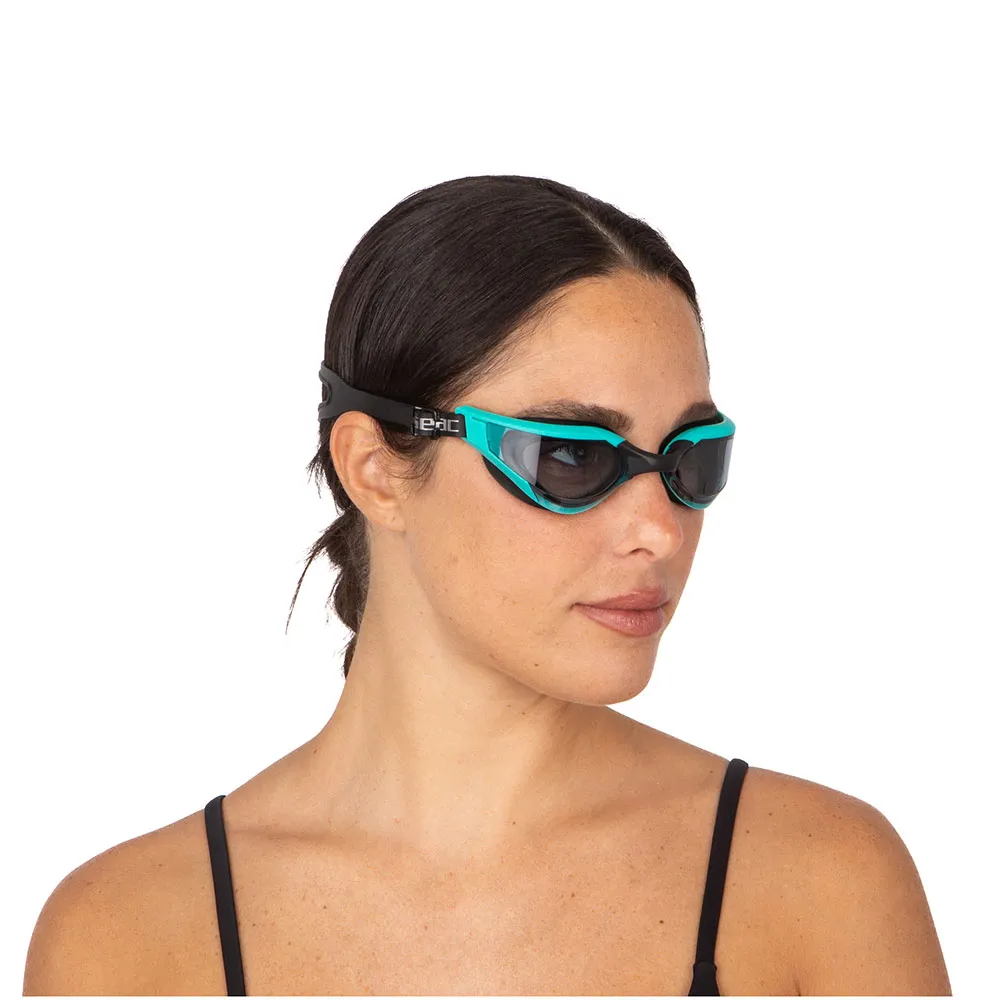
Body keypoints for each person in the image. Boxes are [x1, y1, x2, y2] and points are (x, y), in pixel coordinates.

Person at [23, 175, 950, 996]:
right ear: (375, 470)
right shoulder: (125, 939)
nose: (661, 530)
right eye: (572, 458)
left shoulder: (817, 884)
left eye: (689, 459)